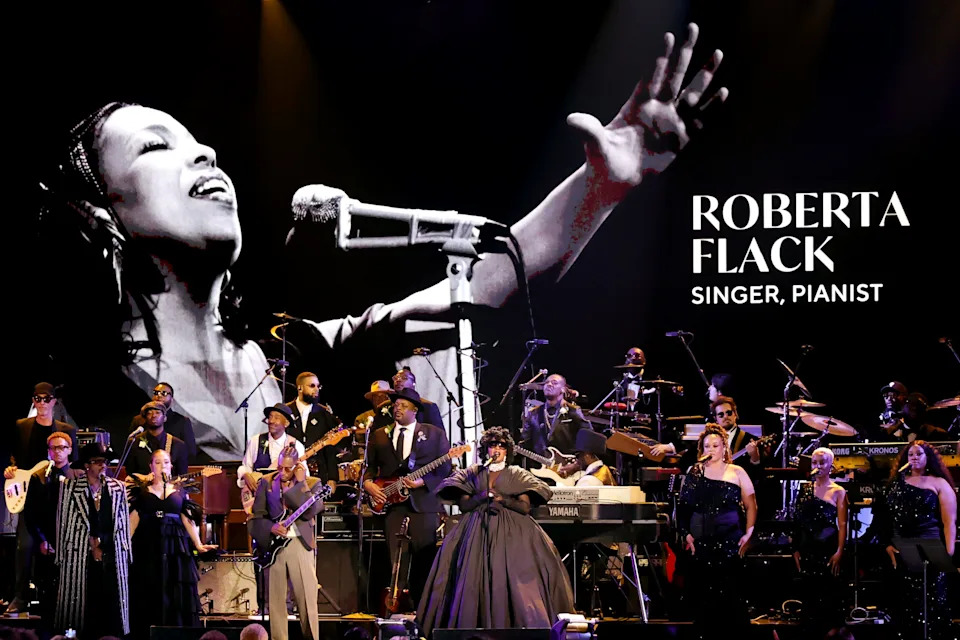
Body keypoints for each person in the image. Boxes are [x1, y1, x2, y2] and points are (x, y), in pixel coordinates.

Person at [29, 21, 729, 462]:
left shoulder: (292, 350)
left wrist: (601, 184)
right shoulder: (80, 384)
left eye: (200, 140)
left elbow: (483, 282)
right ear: (100, 211)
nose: (206, 153)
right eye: (158, 147)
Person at [416, 427, 574, 636]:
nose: (497, 449)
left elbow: (525, 508)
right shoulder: (474, 472)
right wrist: (481, 496)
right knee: (469, 580)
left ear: (508, 449)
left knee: (519, 584)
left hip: (514, 534)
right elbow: (464, 505)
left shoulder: (516, 473)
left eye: (501, 445)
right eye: (492, 445)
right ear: (486, 449)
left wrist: (502, 499)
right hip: (475, 532)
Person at [362, 388, 452, 606]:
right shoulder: (379, 435)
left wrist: (423, 482)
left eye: (403, 405)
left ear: (415, 410)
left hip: (424, 504)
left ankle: (423, 608)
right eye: (396, 405)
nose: (397, 408)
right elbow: (369, 468)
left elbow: (445, 469)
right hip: (393, 507)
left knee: (424, 559)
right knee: (397, 560)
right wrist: (368, 484)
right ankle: (397, 606)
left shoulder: (434, 434)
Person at [4, 383, 78, 615]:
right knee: (24, 546)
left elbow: (73, 462)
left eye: (47, 399)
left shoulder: (66, 429)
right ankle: (20, 596)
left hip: (58, 496)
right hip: (30, 492)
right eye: (38, 398)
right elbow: (15, 457)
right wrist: (11, 469)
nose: (42, 403)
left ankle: (65, 598)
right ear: (33, 401)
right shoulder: (21, 426)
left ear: (55, 402)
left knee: (62, 547)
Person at [676, 423, 757, 635]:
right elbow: (684, 508)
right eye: (707, 446)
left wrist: (749, 533)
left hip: (730, 542)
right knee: (704, 601)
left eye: (716, 445)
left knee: (731, 598)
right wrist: (686, 535)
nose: (711, 450)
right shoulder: (695, 472)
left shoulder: (737, 471)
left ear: (724, 448)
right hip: (703, 543)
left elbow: (751, 505)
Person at [128, 449, 215, 638]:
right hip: (149, 545)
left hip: (175, 547)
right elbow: (133, 521)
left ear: (171, 466)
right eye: (158, 463)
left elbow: (188, 520)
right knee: (149, 588)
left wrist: (198, 544)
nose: (162, 466)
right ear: (151, 466)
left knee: (175, 588)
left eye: (166, 462)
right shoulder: (142, 492)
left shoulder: (180, 492)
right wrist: (125, 547)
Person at [878, 440, 956, 640]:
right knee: (907, 604)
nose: (914, 457)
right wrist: (888, 544)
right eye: (910, 454)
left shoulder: (939, 483)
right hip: (903, 550)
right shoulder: (896, 483)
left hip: (931, 547)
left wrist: (948, 553)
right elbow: (884, 517)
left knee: (932, 604)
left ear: (927, 457)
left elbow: (949, 522)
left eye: (918, 454)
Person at [53, 442, 132, 639]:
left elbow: (123, 523)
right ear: (87, 465)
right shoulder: (70, 487)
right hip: (80, 552)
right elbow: (63, 521)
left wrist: (124, 552)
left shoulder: (118, 488)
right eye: (98, 462)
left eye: (104, 462)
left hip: (111, 553)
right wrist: (64, 554)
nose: (103, 466)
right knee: (82, 602)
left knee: (112, 601)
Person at [248, 447, 324, 640]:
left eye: (288, 469)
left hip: (300, 543)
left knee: (306, 600)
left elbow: (310, 512)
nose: (282, 472)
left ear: (297, 466)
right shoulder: (266, 482)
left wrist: (300, 484)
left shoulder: (312, 483)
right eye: (280, 467)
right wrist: (271, 528)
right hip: (275, 547)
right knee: (276, 603)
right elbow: (256, 517)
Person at [21, 433, 81, 625]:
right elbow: (30, 514)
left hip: (72, 542)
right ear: (49, 451)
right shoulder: (39, 478)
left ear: (70, 450)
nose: (58, 452)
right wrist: (42, 540)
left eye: (62, 447)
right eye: (54, 448)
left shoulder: (78, 476)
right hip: (48, 541)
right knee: (47, 589)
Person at [792, 447, 848, 635]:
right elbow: (798, 521)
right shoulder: (805, 489)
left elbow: (842, 524)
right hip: (808, 548)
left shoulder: (838, 491)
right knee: (810, 595)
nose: (818, 466)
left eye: (822, 462)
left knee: (829, 593)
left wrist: (840, 551)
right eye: (815, 462)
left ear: (830, 465)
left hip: (828, 547)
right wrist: (796, 548)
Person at [285, 372, 341, 485]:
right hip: (289, 474)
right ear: (300, 388)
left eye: (318, 386)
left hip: (318, 475)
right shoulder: (286, 411)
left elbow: (330, 449)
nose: (316, 389)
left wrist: (332, 478)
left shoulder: (324, 413)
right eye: (312, 386)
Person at [520, 373, 590, 459]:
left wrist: (577, 462)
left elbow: (588, 437)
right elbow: (525, 441)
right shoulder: (534, 413)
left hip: (566, 466)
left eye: (554, 383)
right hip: (540, 466)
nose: (549, 385)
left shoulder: (573, 410)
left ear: (563, 389)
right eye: (546, 382)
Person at [128, 382, 198, 464]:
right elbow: (130, 451)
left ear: (172, 399)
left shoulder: (182, 421)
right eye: (156, 393)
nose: (159, 396)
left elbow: (190, 453)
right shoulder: (139, 420)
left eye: (164, 393)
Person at [124, 401, 189, 478]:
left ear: (164, 418)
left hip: (169, 488)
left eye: (157, 413)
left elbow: (182, 476)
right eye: (149, 413)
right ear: (145, 418)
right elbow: (130, 473)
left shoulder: (178, 445)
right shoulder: (134, 442)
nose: (154, 415)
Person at [884, 392, 950, 442]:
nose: (914, 408)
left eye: (917, 406)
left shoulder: (936, 433)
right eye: (911, 405)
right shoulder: (892, 434)